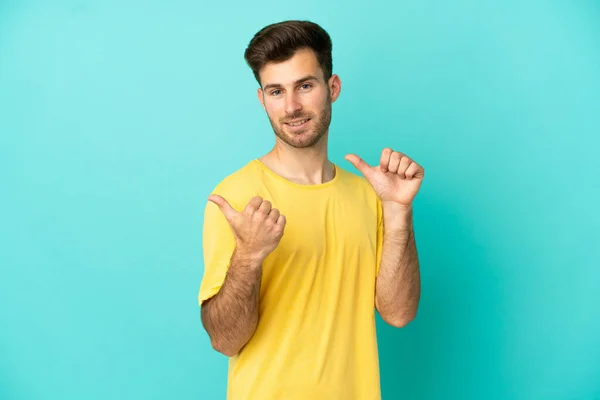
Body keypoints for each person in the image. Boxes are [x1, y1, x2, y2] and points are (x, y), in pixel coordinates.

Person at [198, 20, 424, 400]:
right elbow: (224, 340)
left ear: (332, 88)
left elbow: (398, 313)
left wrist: (398, 211)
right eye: (276, 91)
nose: (291, 106)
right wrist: (249, 256)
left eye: (305, 85)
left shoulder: (368, 195)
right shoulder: (235, 196)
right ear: (261, 99)